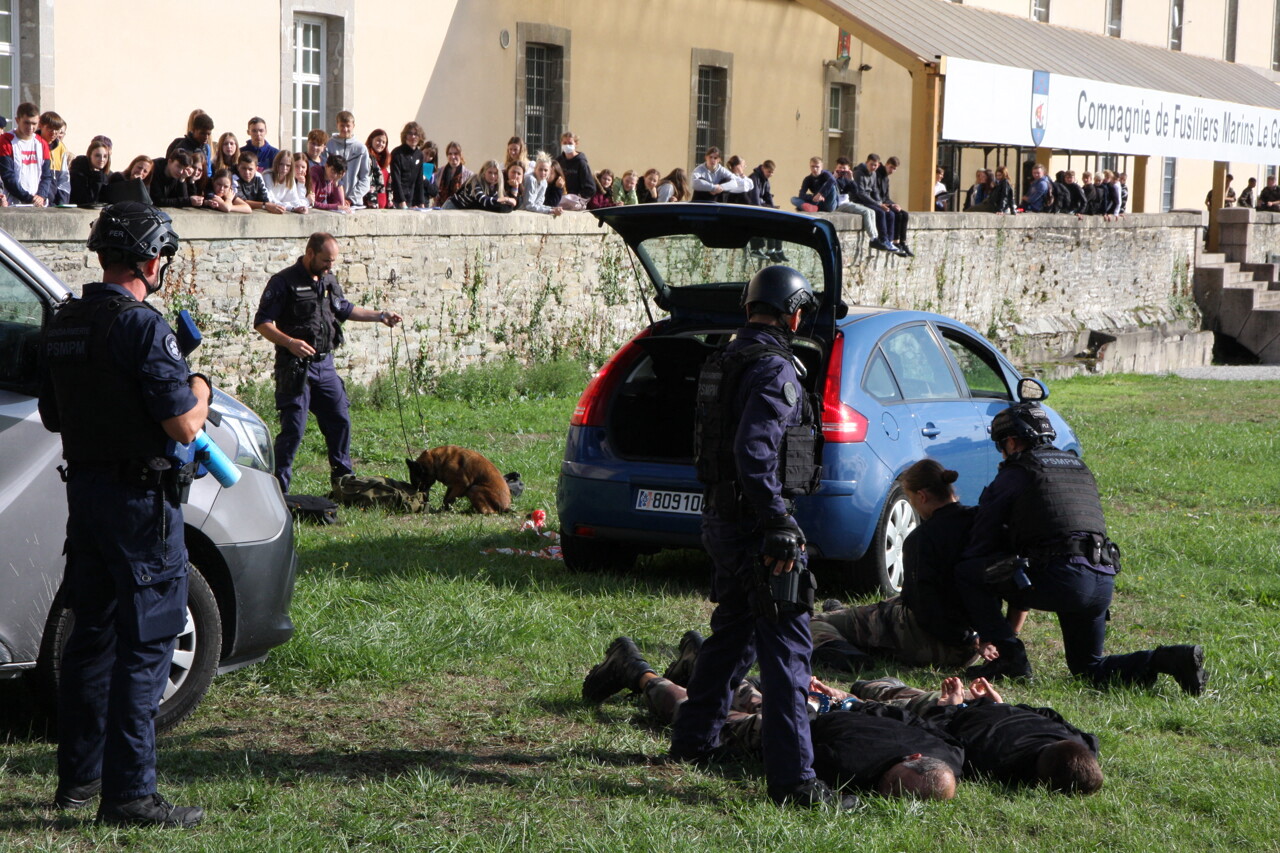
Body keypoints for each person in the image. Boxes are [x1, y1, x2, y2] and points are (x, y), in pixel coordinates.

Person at [37, 202, 208, 828]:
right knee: (148, 645)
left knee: (91, 639)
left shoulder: (65, 322)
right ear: (148, 260)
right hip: (141, 506)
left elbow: (53, 415)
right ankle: (131, 794)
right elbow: (183, 424)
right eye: (161, 255)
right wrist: (200, 386)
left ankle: (78, 780)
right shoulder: (142, 327)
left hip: (86, 498)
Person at [668, 266, 832, 808]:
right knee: (787, 651)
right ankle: (795, 782)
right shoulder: (773, 367)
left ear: (749, 307)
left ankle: (694, 739)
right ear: (794, 314)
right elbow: (754, 450)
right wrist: (778, 521)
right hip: (758, 527)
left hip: (723, 518)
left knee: (733, 633)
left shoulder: (727, 358)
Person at [955, 402, 1208, 694]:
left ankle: (1010, 660)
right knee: (1087, 668)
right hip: (1101, 579)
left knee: (968, 572)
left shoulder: (1018, 472)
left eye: (1001, 445)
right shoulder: (1078, 467)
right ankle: (1169, 659)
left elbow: (982, 539)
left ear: (1011, 442)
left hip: (1062, 579)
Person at [584, 637, 960, 805]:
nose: (884, 788)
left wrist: (848, 704)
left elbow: (908, 717)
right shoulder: (850, 766)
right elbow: (792, 760)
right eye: (890, 786)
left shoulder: (948, 751)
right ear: (916, 759)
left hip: (815, 712)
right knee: (705, 715)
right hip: (794, 730)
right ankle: (635, 670)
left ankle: (699, 659)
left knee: (747, 695)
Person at [811, 459, 997, 671]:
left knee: (814, 623)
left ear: (922, 496)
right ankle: (845, 616)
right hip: (973, 649)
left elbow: (923, 606)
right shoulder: (978, 523)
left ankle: (846, 651)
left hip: (933, 645)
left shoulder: (921, 539)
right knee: (889, 604)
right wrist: (982, 637)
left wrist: (964, 637)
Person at [253, 232, 402, 492]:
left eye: (333, 261)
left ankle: (344, 483)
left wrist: (381, 316)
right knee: (294, 430)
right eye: (325, 260)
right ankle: (278, 491)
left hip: (325, 366)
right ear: (310, 253)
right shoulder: (283, 282)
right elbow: (262, 323)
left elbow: (344, 308)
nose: (330, 266)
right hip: (295, 368)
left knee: (340, 420)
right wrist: (289, 342)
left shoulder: (328, 280)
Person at [851, 676, 1103, 794]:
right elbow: (942, 738)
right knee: (902, 701)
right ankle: (878, 686)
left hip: (979, 708)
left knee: (917, 698)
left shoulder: (1084, 743)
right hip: (969, 709)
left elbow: (1049, 714)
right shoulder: (996, 759)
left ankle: (883, 687)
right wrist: (949, 707)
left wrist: (1004, 707)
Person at [0, 101, 54, 206]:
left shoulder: (42, 144)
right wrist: (28, 198)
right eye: (26, 123)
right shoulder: (6, 141)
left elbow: (46, 175)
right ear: (17, 120)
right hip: (14, 203)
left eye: (34, 124)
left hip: (37, 203)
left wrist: (41, 195)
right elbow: (7, 176)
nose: (30, 127)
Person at [325, 111, 371, 208]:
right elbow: (324, 172)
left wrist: (351, 199)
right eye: (342, 126)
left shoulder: (361, 149)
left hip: (354, 203)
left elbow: (365, 178)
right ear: (337, 125)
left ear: (353, 125)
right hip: (332, 202)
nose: (345, 129)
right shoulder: (329, 145)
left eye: (348, 126)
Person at [443, 159, 516, 212]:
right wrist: (506, 199)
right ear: (484, 173)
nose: (493, 176)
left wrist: (515, 189)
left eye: (495, 173)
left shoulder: (494, 187)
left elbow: (501, 204)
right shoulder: (475, 182)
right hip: (452, 207)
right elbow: (484, 200)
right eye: (490, 172)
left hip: (463, 211)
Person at [389, 122, 427, 209]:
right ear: (405, 135)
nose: (413, 137)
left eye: (416, 134)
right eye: (410, 133)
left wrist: (421, 202)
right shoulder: (397, 153)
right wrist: (402, 202)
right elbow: (396, 179)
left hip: (412, 200)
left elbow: (419, 181)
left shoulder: (419, 154)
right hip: (398, 201)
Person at [166, 111, 214, 178]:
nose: (206, 137)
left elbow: (207, 173)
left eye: (208, 134)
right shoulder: (182, 147)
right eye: (202, 133)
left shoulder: (206, 148)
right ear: (194, 130)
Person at [39, 110, 70, 204]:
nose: (53, 132)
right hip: (37, 200)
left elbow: (64, 178)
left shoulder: (61, 148)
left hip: (54, 202)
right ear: (41, 126)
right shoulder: (33, 144)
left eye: (57, 129)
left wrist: (62, 201)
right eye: (50, 128)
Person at [69, 139, 113, 207]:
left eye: (105, 156)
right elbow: (88, 200)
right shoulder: (78, 174)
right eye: (97, 155)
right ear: (90, 156)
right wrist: (97, 177)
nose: (102, 159)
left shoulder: (109, 176)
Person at [554, 130, 596, 198]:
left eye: (570, 143)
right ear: (561, 143)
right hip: (560, 198)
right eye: (565, 143)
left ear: (576, 144)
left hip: (575, 200)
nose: (567, 145)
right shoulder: (558, 161)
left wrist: (578, 197)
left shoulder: (581, 162)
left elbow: (590, 188)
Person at [435, 141, 472, 209]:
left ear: (460, 155)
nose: (453, 156)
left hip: (458, 211)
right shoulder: (438, 172)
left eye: (456, 153)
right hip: (439, 210)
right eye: (450, 154)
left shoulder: (469, 175)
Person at [364, 128, 390, 209]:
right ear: (371, 140)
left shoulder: (385, 161)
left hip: (384, 207)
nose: (381, 144)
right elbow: (368, 182)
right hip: (371, 206)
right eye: (378, 140)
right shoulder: (367, 158)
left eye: (384, 142)